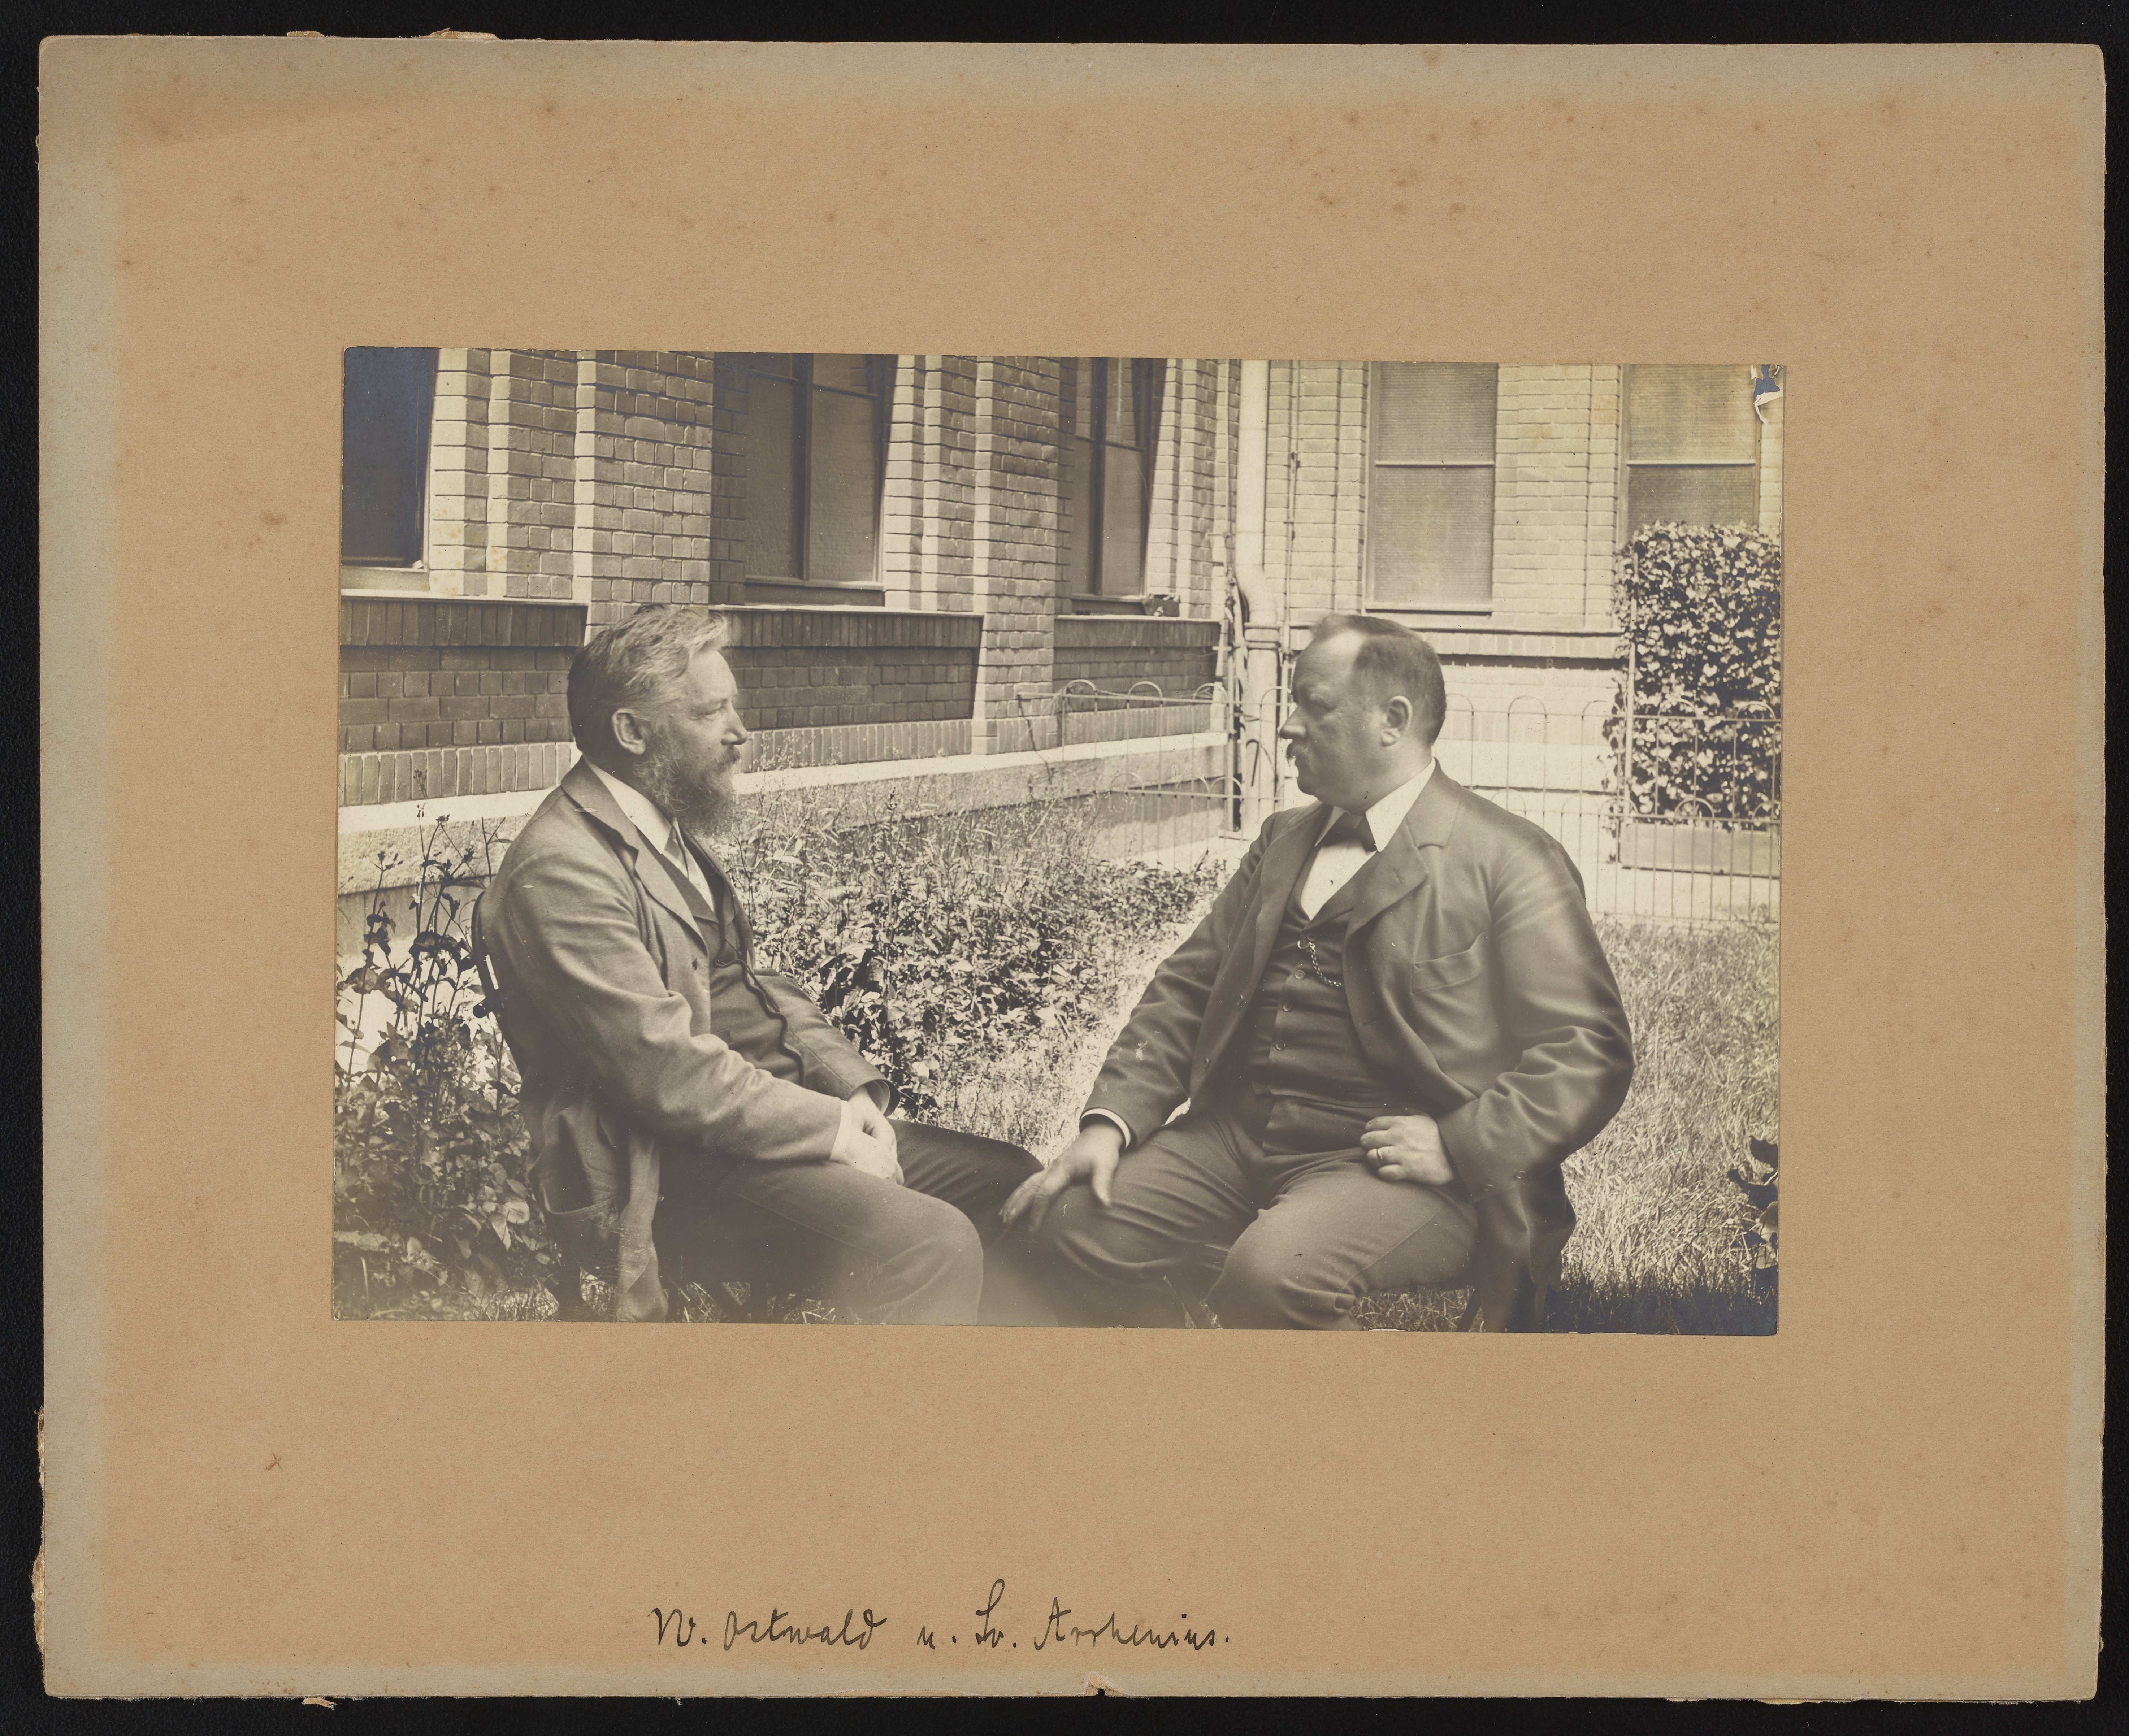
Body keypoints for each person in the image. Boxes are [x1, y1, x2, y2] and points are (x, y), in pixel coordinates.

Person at [1003, 614, 1634, 1331]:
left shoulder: (1510, 859)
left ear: (1392, 721)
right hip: (1237, 1137)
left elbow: (1589, 1051)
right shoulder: (1283, 838)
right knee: (1066, 1226)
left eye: (1314, 705)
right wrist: (1108, 1126)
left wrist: (1460, 1145)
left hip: (1395, 1165)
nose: (1287, 726)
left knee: (1273, 1277)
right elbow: (1189, 988)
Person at [472, 606, 1052, 1325]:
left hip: (752, 1130)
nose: (740, 733)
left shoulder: (654, 825)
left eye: (732, 706)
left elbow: (749, 984)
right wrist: (832, 1132)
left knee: (1011, 1183)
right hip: (662, 1173)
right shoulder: (563, 868)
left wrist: (850, 1095)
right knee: (931, 1241)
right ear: (631, 732)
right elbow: (666, 1074)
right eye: (710, 712)